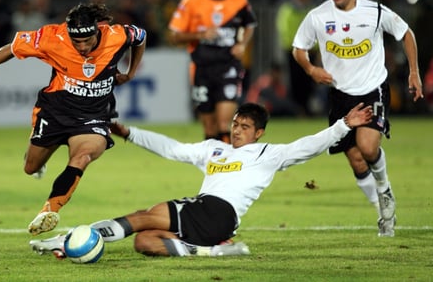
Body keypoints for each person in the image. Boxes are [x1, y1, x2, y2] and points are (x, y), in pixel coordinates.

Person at [29, 102, 373, 258]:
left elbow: (308, 146)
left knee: (142, 216)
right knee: (145, 242)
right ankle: (213, 251)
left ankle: (69, 239)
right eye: (235, 124)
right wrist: (130, 133)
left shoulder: (269, 153)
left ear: (259, 133)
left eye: (244, 127)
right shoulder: (214, 149)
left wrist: (344, 124)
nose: (236, 130)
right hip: (212, 220)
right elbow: (174, 149)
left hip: (219, 212)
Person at [0, 3, 147, 236]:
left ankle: (49, 210)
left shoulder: (116, 35)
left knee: (82, 156)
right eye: (77, 42)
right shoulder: (52, 37)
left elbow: (141, 37)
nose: (83, 47)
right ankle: (40, 162)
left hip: (92, 116)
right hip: (55, 112)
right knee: (30, 167)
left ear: (98, 31)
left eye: (88, 41)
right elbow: (12, 47)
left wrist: (132, 71)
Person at [291, 0, 424, 237]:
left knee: (367, 146)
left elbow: (406, 34)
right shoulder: (318, 16)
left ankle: (385, 188)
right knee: (355, 159)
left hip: (372, 88)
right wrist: (311, 69)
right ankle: (383, 212)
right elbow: (298, 48)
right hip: (340, 95)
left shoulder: (375, 12)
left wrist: (414, 72)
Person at [168, 0, 258, 144]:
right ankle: (213, 167)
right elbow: (174, 36)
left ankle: (226, 169)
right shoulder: (192, 1)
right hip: (201, 69)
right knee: (209, 128)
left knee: (225, 125)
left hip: (229, 67)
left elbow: (250, 24)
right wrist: (199, 35)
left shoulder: (239, 1)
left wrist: (242, 44)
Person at [275, 0, 316, 115]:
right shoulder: (287, 9)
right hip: (294, 50)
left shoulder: (311, 10)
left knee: (309, 80)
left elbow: (318, 30)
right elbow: (284, 28)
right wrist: (296, 45)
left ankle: (305, 108)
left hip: (310, 51)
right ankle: (297, 108)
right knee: (295, 79)